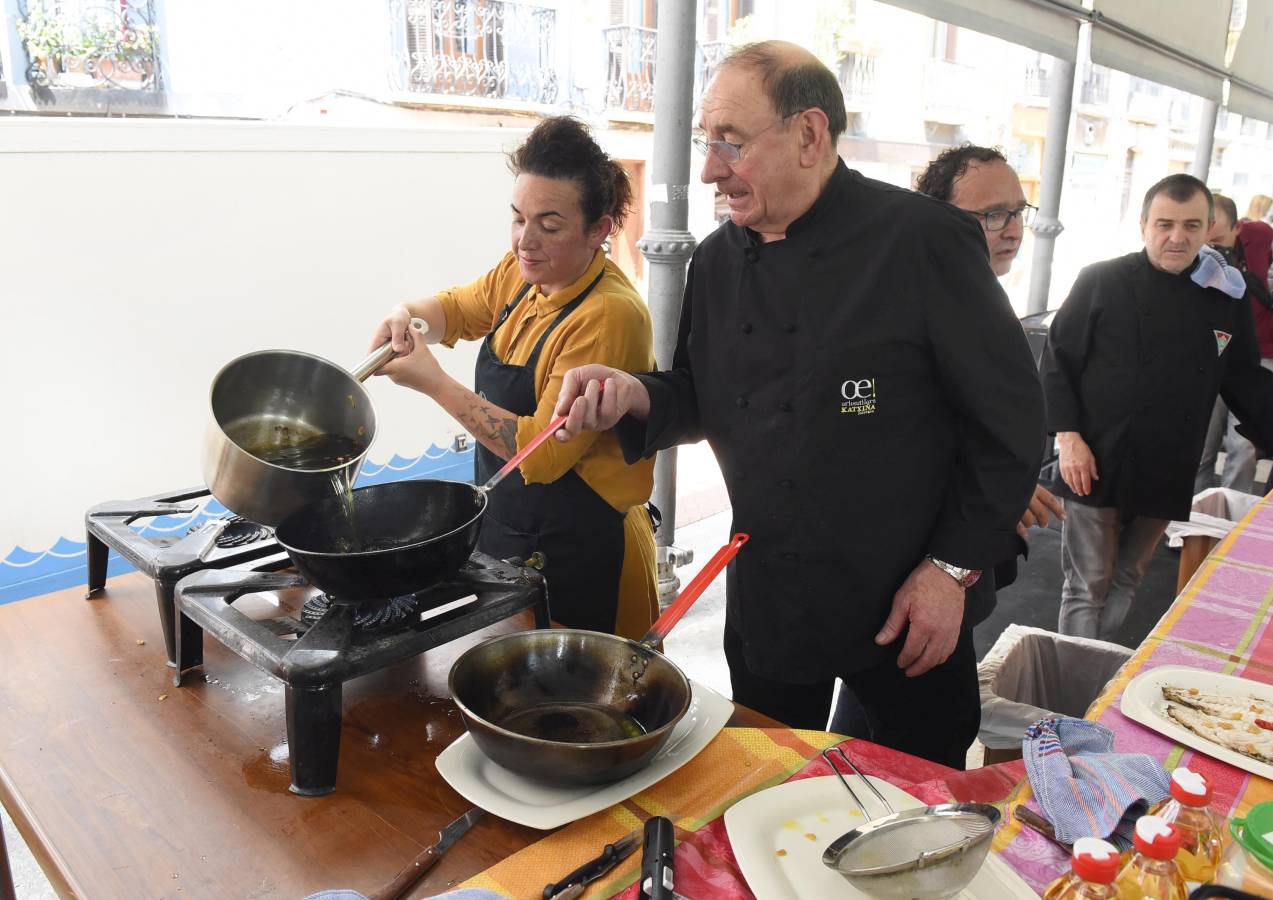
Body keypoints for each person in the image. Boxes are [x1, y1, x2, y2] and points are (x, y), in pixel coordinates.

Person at [551, 41, 1044, 769]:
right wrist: (636, 394)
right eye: (705, 142)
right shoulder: (715, 261)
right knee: (768, 789)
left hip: (909, 604)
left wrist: (950, 570)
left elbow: (1009, 426)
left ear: (809, 135)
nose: (710, 167)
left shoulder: (921, 242)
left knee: (917, 797)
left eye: (731, 142)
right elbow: (705, 394)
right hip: (771, 597)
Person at [369, 116, 658, 640]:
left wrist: (433, 382)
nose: (527, 241)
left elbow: (540, 454)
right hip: (512, 532)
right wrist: (404, 314)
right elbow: (456, 309)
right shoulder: (523, 275)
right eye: (518, 219)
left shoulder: (608, 315)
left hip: (585, 552)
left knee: (580, 710)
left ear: (600, 230)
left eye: (550, 225)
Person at [1042, 174, 1273, 643]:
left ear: (1209, 227)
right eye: (1164, 224)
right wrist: (1067, 438)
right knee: (1087, 586)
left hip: (1168, 463)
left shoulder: (1225, 297)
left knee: (1129, 579)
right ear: (1143, 225)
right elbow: (1057, 361)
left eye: (1191, 225)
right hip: (1096, 456)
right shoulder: (1101, 279)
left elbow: (1246, 379)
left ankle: (1092, 672)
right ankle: (1073, 688)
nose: (1177, 236)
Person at [1195, 194, 1273, 495]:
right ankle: (1190, 516)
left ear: (1237, 226)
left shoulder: (1260, 239)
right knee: (1202, 443)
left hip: (1260, 356)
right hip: (1213, 357)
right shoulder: (1195, 258)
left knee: (1243, 448)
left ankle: (1233, 518)